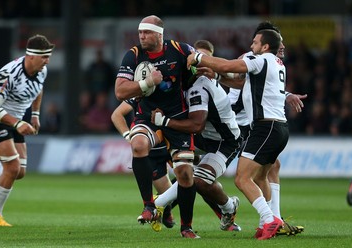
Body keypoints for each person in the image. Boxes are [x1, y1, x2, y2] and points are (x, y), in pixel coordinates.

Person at [187, 29, 288, 240]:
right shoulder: (277, 64)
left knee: (242, 179)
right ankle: (265, 223)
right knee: (260, 176)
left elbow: (227, 66)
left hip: (264, 128)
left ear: (265, 46)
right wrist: (215, 76)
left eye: (255, 42)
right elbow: (242, 83)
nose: (251, 46)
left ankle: (270, 219)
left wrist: (198, 57)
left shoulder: (260, 59)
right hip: (279, 128)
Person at [115, 15, 198, 238]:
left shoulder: (179, 50)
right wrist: (147, 83)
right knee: (138, 144)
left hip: (177, 119)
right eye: (140, 32)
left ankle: (187, 226)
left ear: (159, 34)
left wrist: (201, 65)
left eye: (147, 32)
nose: (141, 36)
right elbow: (120, 91)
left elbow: (199, 64)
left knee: (185, 174)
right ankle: (149, 205)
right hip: (147, 118)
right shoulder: (133, 55)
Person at [224, 21, 305, 236]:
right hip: (240, 123)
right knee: (256, 174)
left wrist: (287, 95)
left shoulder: (269, 61)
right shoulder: (251, 58)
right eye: (278, 39)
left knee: (262, 172)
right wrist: (213, 69)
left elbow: (266, 88)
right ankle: (271, 218)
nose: (283, 45)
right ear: (266, 43)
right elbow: (242, 83)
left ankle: (272, 219)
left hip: (261, 125)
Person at [152, 40, 242, 232]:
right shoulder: (184, 82)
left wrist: (165, 121)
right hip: (202, 138)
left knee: (199, 180)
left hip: (223, 141)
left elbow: (197, 124)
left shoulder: (199, 86)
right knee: (178, 164)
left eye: (201, 60)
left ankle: (228, 207)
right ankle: (161, 206)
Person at [0, 34, 54, 226]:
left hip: (16, 120)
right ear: (30, 56)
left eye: (48, 56)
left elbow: (39, 89)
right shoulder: (8, 73)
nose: (47, 61)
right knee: (12, 167)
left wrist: (35, 115)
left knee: (19, 172)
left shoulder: (41, 70)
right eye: (44, 57)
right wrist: (18, 123)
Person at [111, 99, 176, 230]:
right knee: (171, 196)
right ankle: (163, 209)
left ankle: (224, 212)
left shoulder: (176, 88)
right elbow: (116, 115)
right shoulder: (142, 90)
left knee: (195, 177)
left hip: (175, 141)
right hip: (153, 151)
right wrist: (129, 137)